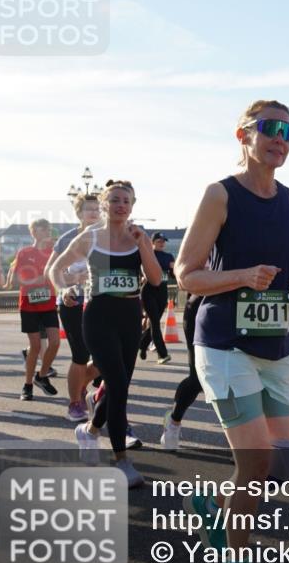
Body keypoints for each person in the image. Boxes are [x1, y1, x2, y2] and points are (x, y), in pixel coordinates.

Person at [175, 99, 289, 563]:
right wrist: (241, 276)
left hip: (276, 343)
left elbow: (288, 270)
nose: (280, 137)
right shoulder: (220, 194)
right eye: (270, 127)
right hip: (223, 343)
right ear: (243, 134)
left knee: (281, 464)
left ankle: (214, 507)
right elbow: (186, 274)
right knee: (256, 459)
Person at [50, 180, 162, 486]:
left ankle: (89, 431)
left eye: (126, 201)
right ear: (104, 205)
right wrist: (64, 289)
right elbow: (55, 269)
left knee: (117, 385)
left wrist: (144, 245)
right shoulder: (91, 237)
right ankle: (121, 461)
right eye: (114, 200)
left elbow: (155, 279)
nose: (120, 205)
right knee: (119, 385)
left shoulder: (138, 237)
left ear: (133, 205)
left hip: (130, 318)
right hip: (98, 318)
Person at [45, 193, 102, 422]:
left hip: (100, 301)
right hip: (73, 301)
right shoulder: (68, 238)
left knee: (106, 355)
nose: (94, 212)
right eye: (89, 209)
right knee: (80, 354)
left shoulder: (107, 236)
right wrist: (69, 282)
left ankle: (80, 386)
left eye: (98, 208)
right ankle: (75, 403)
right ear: (79, 213)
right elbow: (50, 270)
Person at [8, 219, 60, 401]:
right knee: (36, 347)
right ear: (33, 233)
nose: (46, 232)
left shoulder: (54, 252)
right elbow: (16, 281)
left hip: (49, 304)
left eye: (48, 229)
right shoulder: (24, 253)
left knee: (55, 342)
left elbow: (60, 272)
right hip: (29, 304)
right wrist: (37, 280)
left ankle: (42, 375)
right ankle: (27, 385)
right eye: (42, 229)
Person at [159, 292, 204, 450]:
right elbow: (184, 280)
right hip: (203, 308)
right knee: (198, 379)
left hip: (244, 309)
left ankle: (243, 441)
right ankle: (173, 422)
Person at [139, 232, 175, 364]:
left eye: (163, 241)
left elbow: (173, 275)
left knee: (155, 323)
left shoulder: (169, 256)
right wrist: (143, 275)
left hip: (162, 292)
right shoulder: (148, 254)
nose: (162, 243)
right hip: (149, 291)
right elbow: (140, 269)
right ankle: (162, 354)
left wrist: (174, 269)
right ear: (152, 242)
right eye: (159, 241)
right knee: (155, 322)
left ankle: (141, 345)